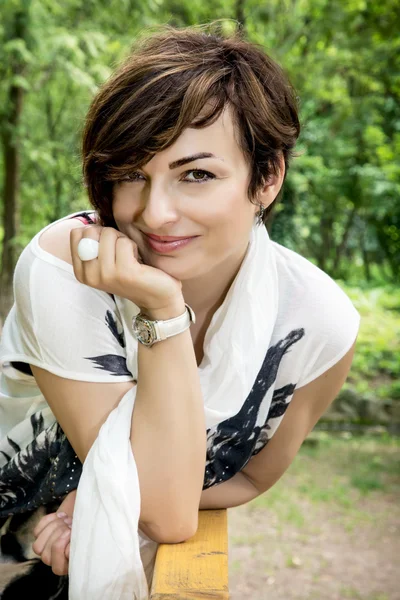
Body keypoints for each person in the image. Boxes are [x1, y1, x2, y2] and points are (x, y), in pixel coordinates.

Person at [0, 23, 360, 596]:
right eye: (131, 175)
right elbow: (166, 514)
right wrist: (164, 311)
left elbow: (243, 479)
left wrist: (102, 493)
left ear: (267, 178)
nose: (156, 213)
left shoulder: (314, 325)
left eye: (196, 174)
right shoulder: (66, 269)